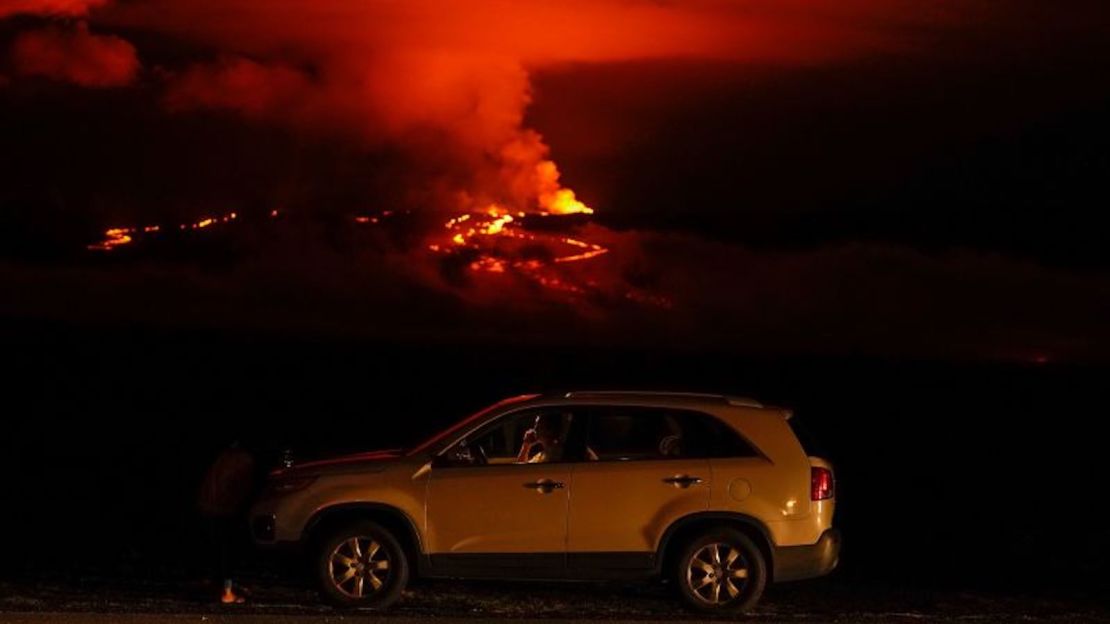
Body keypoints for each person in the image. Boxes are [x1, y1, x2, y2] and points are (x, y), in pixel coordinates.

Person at [197, 440, 257, 604]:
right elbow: (241, 488)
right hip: (224, 508)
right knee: (228, 551)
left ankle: (216, 583)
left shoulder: (223, 456)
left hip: (207, 505)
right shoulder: (245, 460)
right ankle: (227, 592)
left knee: (218, 548)